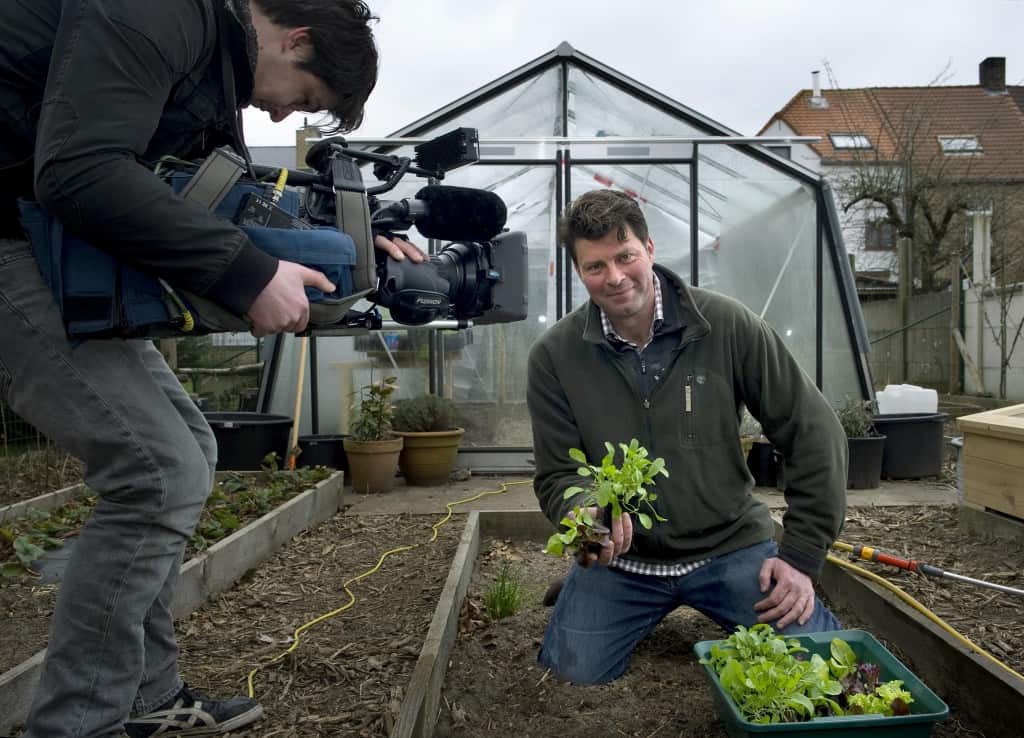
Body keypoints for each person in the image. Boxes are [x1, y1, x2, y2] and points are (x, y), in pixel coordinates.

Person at [0, 1, 420, 735]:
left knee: (185, 453)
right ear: (297, 38)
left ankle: (146, 698)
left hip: (37, 238)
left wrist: (357, 242)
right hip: (10, 237)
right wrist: (247, 274)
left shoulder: (209, 60)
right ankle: (77, 725)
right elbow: (79, 168)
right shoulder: (158, 12)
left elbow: (207, 193)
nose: (288, 114)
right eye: (307, 98)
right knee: (158, 470)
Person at [527, 189, 847, 685]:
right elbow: (556, 474)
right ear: (578, 271)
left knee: (819, 666)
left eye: (625, 256)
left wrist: (800, 558)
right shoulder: (555, 356)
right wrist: (587, 518)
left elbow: (814, 432)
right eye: (594, 267)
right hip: (625, 566)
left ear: (650, 249)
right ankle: (589, 593)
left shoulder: (726, 326)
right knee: (572, 673)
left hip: (730, 549)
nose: (613, 277)